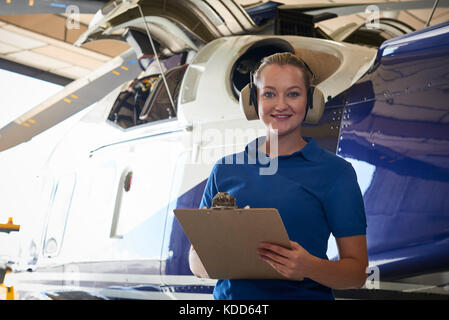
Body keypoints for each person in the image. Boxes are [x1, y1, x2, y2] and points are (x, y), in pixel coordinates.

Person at [189, 52, 368, 300]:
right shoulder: (225, 169)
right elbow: (196, 263)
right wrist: (220, 254)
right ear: (253, 101)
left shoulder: (336, 173)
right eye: (269, 94)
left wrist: (308, 267)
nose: (281, 105)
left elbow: (357, 274)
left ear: (311, 101)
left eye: (293, 94)